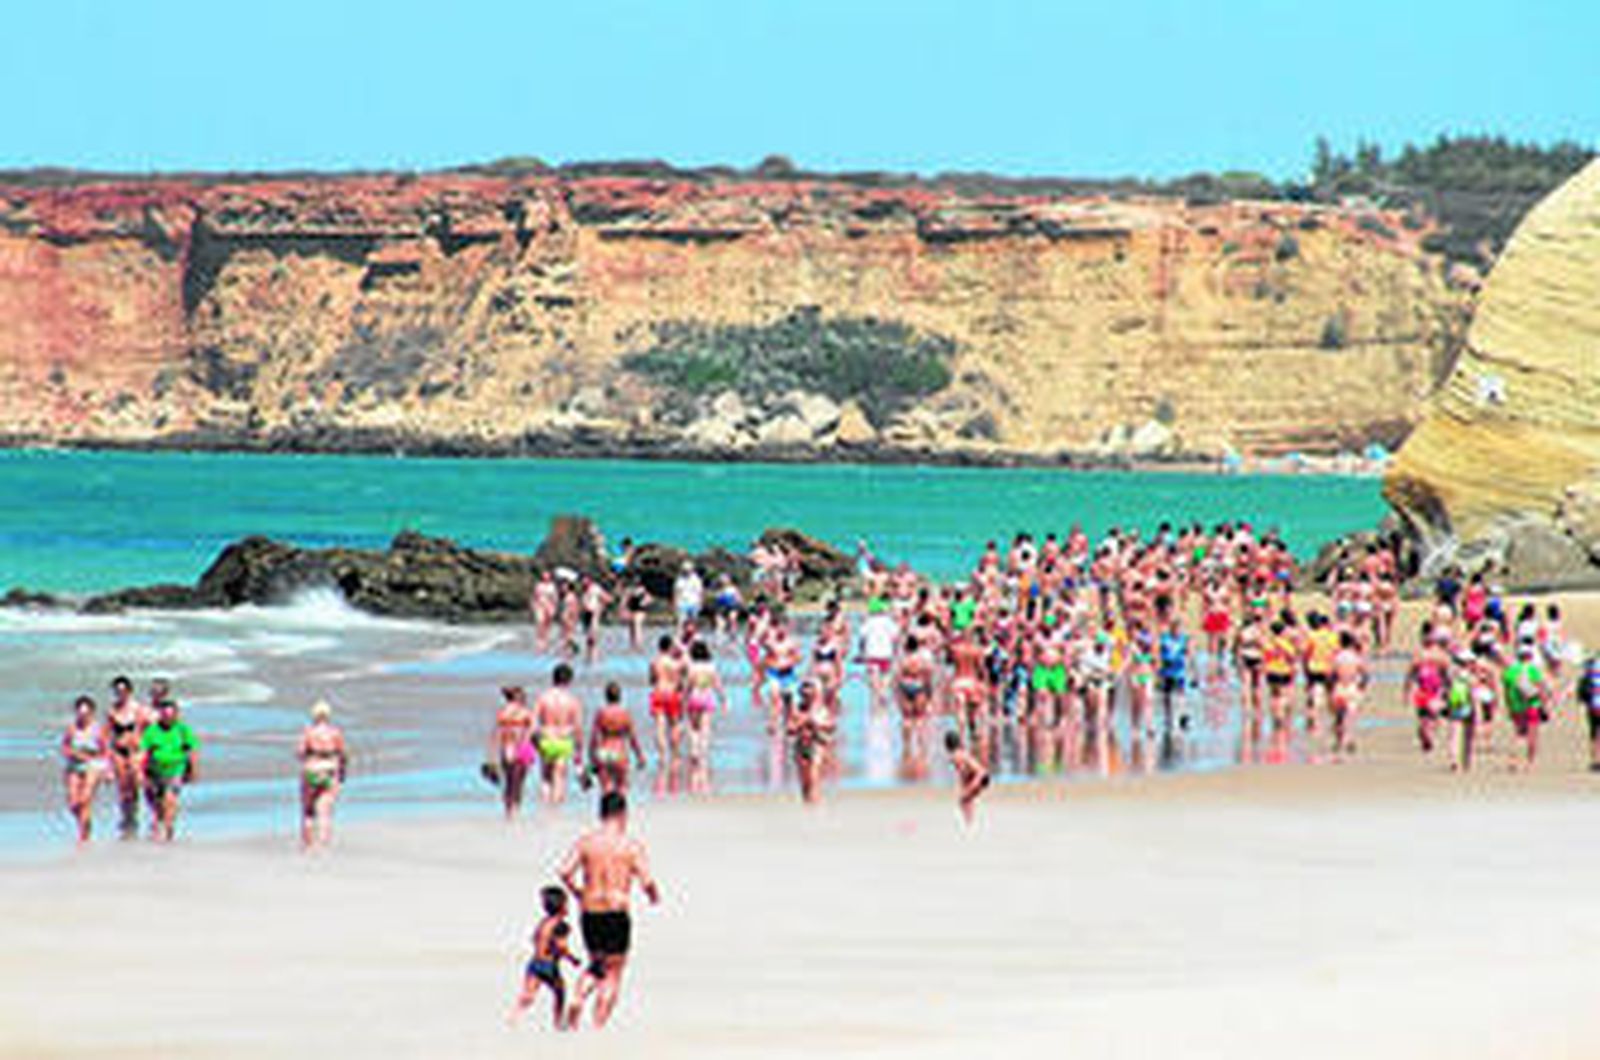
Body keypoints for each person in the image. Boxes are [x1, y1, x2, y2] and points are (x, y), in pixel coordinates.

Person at [560, 793, 660, 1031]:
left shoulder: (586, 842)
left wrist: (578, 894)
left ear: (601, 814)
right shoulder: (631, 846)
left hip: (590, 910)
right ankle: (598, 1027)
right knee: (614, 972)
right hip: (616, 910)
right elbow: (646, 880)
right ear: (623, 814)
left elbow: (564, 871)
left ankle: (578, 996)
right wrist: (653, 895)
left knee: (596, 964)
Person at [509, 886, 581, 1031]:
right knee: (560, 992)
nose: (568, 907)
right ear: (561, 907)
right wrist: (572, 959)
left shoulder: (543, 923)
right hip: (549, 965)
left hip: (534, 962)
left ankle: (514, 1017)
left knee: (528, 994)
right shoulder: (561, 926)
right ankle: (557, 1022)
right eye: (566, 904)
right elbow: (561, 946)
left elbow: (534, 938)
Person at [140, 698, 198, 842]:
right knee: (157, 801)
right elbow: (144, 752)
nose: (168, 718)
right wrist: (141, 773)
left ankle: (167, 828)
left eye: (171, 715)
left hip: (176, 769)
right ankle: (162, 821)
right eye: (165, 714)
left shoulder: (183, 730)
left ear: (176, 715)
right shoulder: (152, 730)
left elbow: (192, 750)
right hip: (155, 770)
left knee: (169, 798)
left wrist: (193, 770)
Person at [297, 699, 347, 851]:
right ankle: (323, 844)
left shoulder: (308, 732)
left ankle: (308, 844)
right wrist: (342, 773)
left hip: (311, 769)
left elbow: (300, 753)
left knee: (308, 810)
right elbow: (343, 754)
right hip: (329, 770)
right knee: (325, 811)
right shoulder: (335, 733)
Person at [105, 675, 151, 839]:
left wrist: (144, 746)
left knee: (135, 785)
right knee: (123, 788)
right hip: (118, 751)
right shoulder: (112, 710)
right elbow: (109, 735)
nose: (120, 694)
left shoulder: (139, 709)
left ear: (130, 691)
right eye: (117, 691)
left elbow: (151, 729)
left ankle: (134, 815)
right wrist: (108, 763)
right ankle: (127, 818)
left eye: (123, 690)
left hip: (135, 751)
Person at [60, 695, 107, 844]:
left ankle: (83, 836)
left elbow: (105, 751)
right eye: (80, 713)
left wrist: (108, 770)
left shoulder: (98, 729)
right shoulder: (72, 728)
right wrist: (72, 753)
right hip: (74, 765)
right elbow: (65, 747)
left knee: (84, 799)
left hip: (93, 764)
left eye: (86, 713)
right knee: (73, 803)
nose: (83, 716)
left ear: (92, 713)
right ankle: (85, 824)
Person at [534, 664, 584, 803]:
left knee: (545, 779)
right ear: (569, 680)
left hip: (546, 739)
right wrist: (579, 751)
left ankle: (545, 809)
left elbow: (534, 724)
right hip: (563, 740)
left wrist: (534, 743)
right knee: (559, 778)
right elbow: (578, 728)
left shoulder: (543, 698)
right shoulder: (572, 700)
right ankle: (555, 812)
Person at [1502, 642, 1554, 770]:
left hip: (1516, 706)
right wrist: (1546, 705)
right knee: (1532, 734)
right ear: (1529, 656)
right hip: (1532, 705)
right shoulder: (1532, 670)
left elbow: (1506, 691)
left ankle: (1513, 760)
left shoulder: (1510, 671)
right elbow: (1541, 688)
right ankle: (1529, 763)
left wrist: (1508, 706)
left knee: (1519, 734)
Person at [589, 682, 647, 795]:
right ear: (620, 696)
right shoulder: (625, 714)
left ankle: (606, 811)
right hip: (619, 752)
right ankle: (620, 811)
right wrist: (640, 756)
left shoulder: (601, 713)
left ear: (606, 696)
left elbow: (594, 737)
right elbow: (632, 738)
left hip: (604, 752)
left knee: (606, 789)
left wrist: (591, 756)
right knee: (622, 789)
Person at [487, 686, 536, 819]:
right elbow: (532, 731)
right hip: (522, 747)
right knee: (519, 782)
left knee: (509, 782)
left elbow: (496, 735)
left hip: (506, 747)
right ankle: (516, 809)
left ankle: (508, 811)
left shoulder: (502, 713)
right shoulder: (525, 712)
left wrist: (491, 756)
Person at [788, 679, 835, 805]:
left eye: (810, 688)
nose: (806, 691)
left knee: (814, 777)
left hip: (817, 744)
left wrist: (816, 724)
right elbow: (790, 729)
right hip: (801, 745)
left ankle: (815, 803)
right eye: (804, 688)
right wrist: (801, 723)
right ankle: (808, 805)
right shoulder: (797, 709)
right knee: (804, 781)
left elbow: (831, 726)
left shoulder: (822, 709)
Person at [682, 640, 725, 768]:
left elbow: (687, 685)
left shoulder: (692, 667)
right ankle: (703, 753)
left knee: (694, 728)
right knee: (705, 729)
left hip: (694, 698)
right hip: (707, 698)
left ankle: (694, 751)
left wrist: (683, 699)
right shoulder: (711, 667)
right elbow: (717, 684)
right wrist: (723, 699)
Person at [647, 635, 686, 763]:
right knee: (674, 725)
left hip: (658, 693)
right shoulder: (675, 664)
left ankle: (662, 756)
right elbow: (681, 682)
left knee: (660, 727)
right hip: (672, 694)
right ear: (670, 647)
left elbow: (651, 680)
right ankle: (675, 754)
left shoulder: (654, 662)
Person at [858, 599, 899, 712]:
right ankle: (883, 694)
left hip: (872, 654)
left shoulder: (868, 622)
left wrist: (861, 652)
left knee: (874, 681)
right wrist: (895, 651)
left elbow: (862, 638)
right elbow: (895, 637)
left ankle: (877, 703)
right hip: (886, 654)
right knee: (886, 677)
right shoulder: (889, 621)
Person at [944, 730, 990, 826]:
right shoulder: (961, 752)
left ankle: (969, 822)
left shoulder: (955, 756)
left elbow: (962, 771)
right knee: (968, 799)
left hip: (979, 776)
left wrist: (967, 786)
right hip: (982, 775)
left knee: (963, 799)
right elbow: (967, 769)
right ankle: (970, 821)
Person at [1578, 650, 1600, 773]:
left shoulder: (1589, 672)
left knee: (1593, 734)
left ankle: (1595, 761)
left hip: (1592, 706)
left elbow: (1582, 692)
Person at [672, 563, 704, 628]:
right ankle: (679, 634)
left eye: (688, 570)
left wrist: (700, 603)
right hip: (682, 602)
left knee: (693, 620)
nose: (687, 571)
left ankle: (694, 634)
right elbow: (676, 592)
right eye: (685, 570)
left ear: (692, 570)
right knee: (681, 620)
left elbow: (700, 592)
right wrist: (675, 603)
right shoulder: (679, 579)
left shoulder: (696, 579)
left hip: (694, 602)